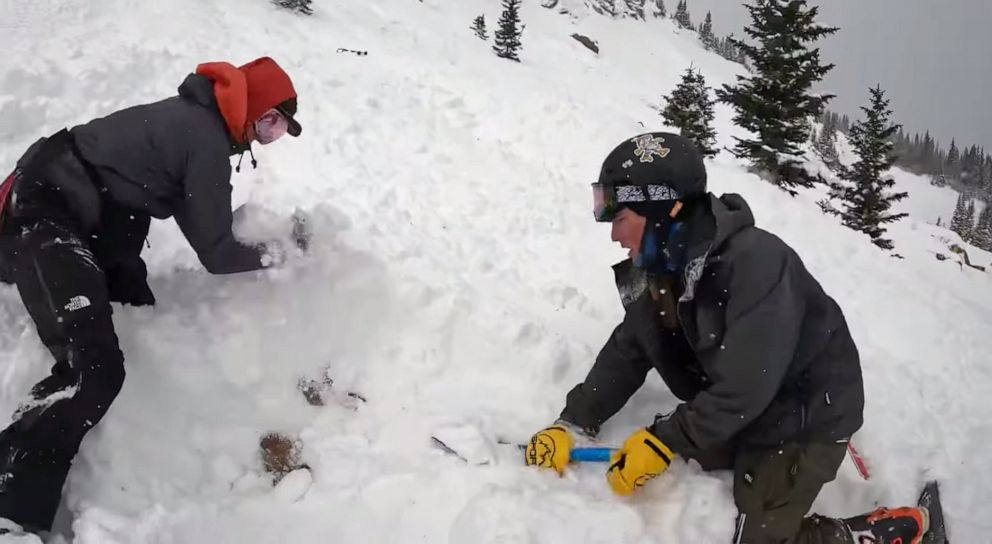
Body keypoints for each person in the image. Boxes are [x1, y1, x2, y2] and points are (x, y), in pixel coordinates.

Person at [525, 133, 930, 544]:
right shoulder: (667, 265)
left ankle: (879, 532)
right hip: (745, 407)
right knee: (684, 460)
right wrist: (574, 421)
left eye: (620, 218)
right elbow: (630, 348)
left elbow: (746, 387)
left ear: (663, 211)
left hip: (803, 417)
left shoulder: (758, 264)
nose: (614, 235)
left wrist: (665, 440)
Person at [0, 56, 302, 536]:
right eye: (269, 123)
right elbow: (218, 253)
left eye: (278, 131)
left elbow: (203, 227)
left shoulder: (196, 124)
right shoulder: (202, 137)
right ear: (250, 107)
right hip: (47, 210)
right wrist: (283, 252)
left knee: (136, 310)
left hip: (90, 212)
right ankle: (10, 507)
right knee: (95, 368)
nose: (267, 137)